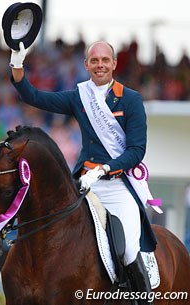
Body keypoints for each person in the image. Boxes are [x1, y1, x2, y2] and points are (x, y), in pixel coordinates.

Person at [9, 41, 156, 304]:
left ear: (114, 64)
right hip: (85, 186)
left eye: (105, 60)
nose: (100, 65)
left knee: (130, 251)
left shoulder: (130, 99)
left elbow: (136, 150)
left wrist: (105, 168)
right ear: (86, 64)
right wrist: (17, 65)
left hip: (118, 185)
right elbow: (33, 96)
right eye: (94, 60)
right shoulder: (80, 96)